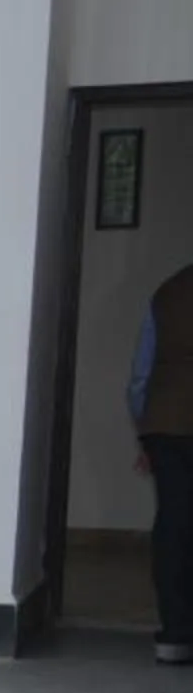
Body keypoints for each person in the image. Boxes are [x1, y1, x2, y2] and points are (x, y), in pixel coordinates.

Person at [132, 258, 193, 665]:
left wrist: (145, 432)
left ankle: (175, 635)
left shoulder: (169, 290)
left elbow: (141, 375)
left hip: (166, 424)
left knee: (174, 522)